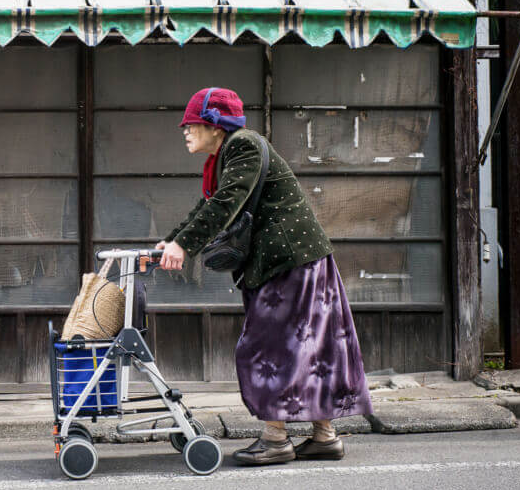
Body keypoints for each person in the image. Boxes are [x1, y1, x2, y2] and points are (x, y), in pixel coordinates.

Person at [154, 87, 372, 466]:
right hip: (299, 259)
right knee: (312, 346)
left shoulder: (244, 145)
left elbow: (224, 204)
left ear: (215, 125)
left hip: (288, 261)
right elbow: (209, 204)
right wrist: (174, 240)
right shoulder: (229, 155)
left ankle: (275, 438)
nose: (185, 131)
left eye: (191, 124)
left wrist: (184, 246)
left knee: (268, 345)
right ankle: (324, 436)